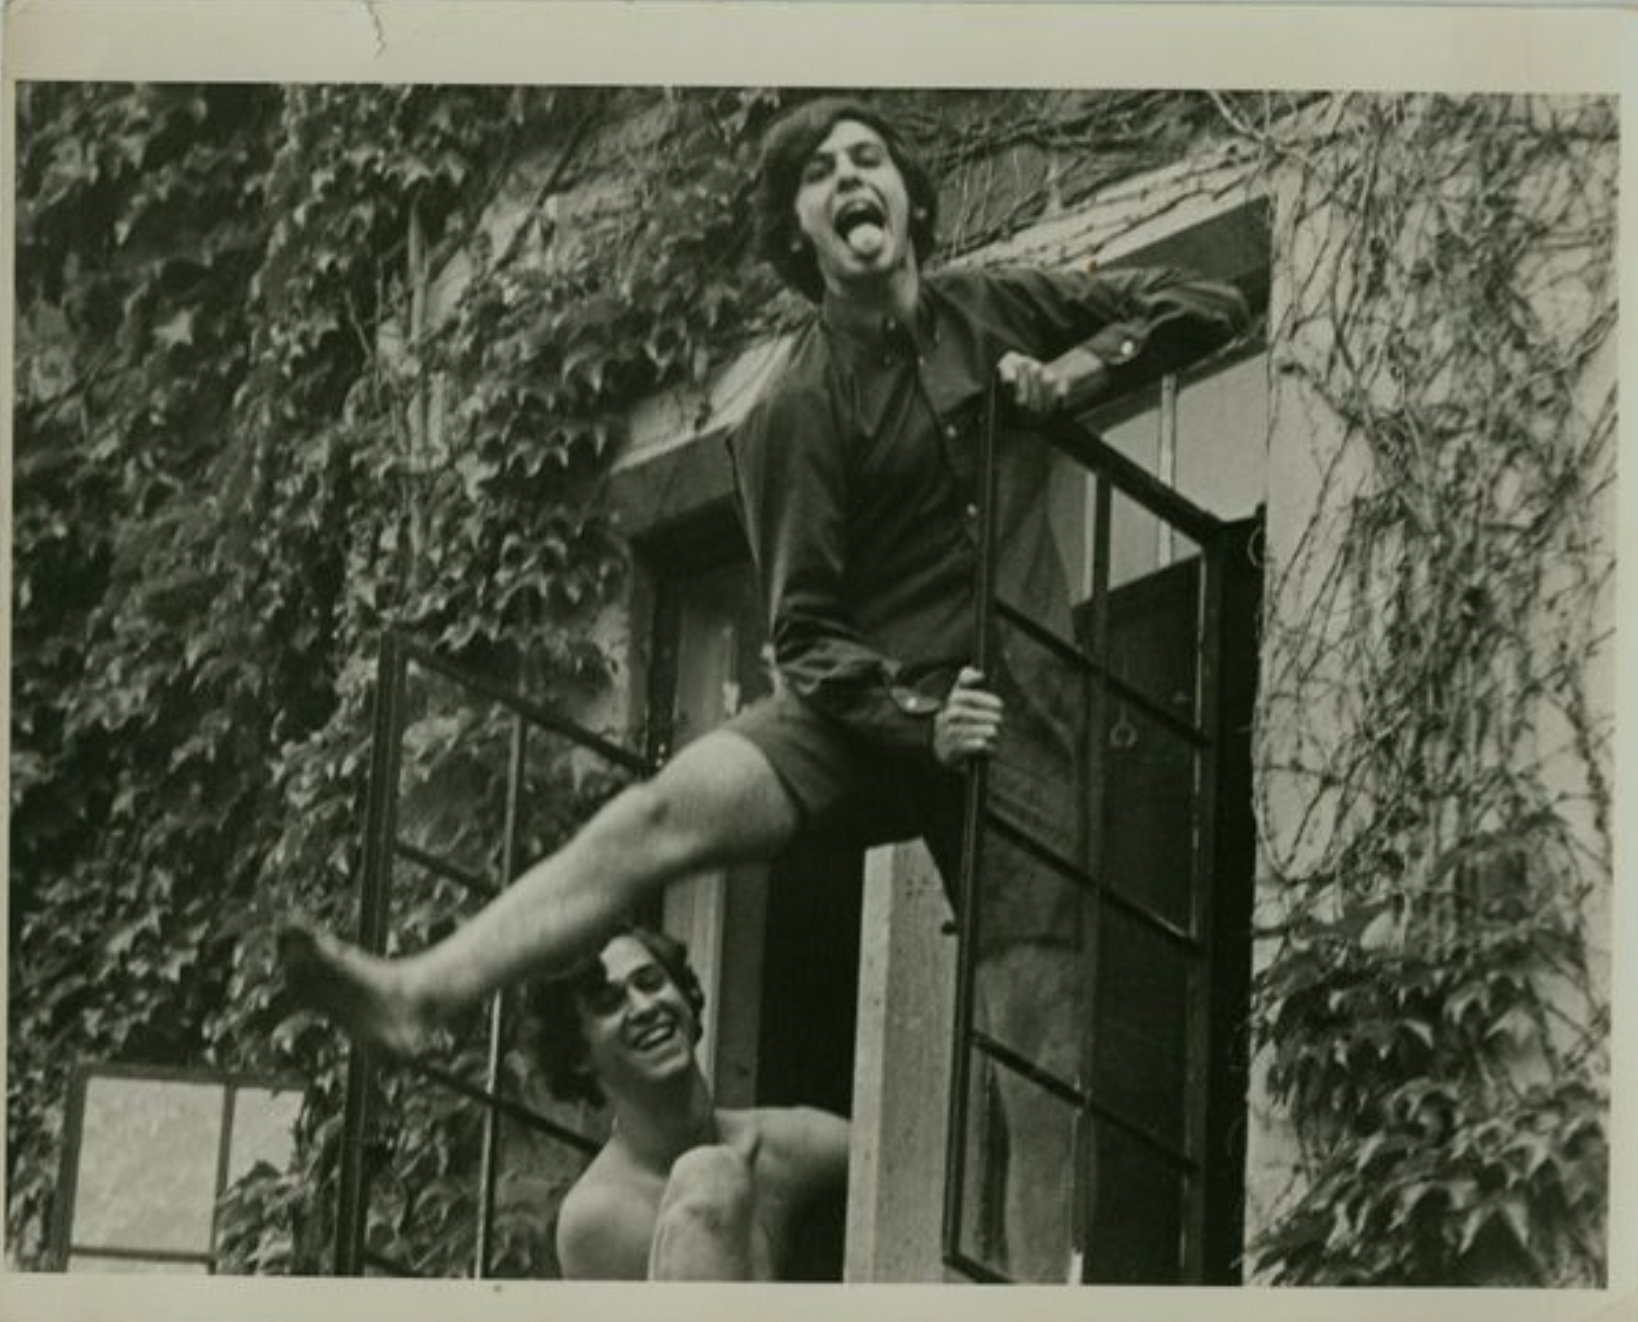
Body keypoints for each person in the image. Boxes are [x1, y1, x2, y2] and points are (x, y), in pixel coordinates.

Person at [281, 95, 1247, 1275]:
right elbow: (802, 633)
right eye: (819, 172)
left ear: (908, 198)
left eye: (868, 158)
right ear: (800, 232)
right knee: (660, 812)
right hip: (867, 710)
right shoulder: (796, 404)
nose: (850, 177)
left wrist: (1077, 372)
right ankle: (422, 988)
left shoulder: (996, 307)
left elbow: (1206, 301)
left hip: (1017, 724)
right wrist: (915, 714)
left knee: (1044, 1072)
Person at [529, 925, 848, 1280]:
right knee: (709, 1178)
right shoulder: (598, 1215)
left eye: (651, 983)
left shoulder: (787, 1142)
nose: (645, 1007)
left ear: (685, 998)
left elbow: (892, 1159)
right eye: (609, 1003)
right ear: (577, 1054)